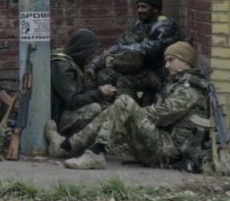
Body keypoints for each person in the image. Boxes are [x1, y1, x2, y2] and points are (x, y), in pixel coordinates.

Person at [62, 42, 212, 171]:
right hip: (161, 146)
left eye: (170, 60)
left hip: (171, 153)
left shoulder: (190, 90)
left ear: (184, 61)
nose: (166, 66)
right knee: (119, 107)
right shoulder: (178, 84)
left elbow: (162, 116)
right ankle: (67, 146)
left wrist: (135, 112)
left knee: (125, 103)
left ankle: (94, 151)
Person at [89, 0, 182, 105]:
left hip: (159, 73)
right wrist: (96, 63)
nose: (139, 10)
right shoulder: (140, 24)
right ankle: (108, 109)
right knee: (105, 74)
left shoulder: (166, 25)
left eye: (143, 7)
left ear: (156, 9)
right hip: (141, 69)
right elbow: (119, 43)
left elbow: (146, 49)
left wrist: (117, 53)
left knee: (124, 80)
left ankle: (129, 112)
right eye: (138, 7)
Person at [44, 29, 116, 157]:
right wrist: (99, 93)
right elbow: (72, 101)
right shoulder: (62, 66)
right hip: (58, 118)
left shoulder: (73, 63)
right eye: (90, 52)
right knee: (94, 108)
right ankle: (68, 145)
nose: (91, 56)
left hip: (64, 113)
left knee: (107, 109)